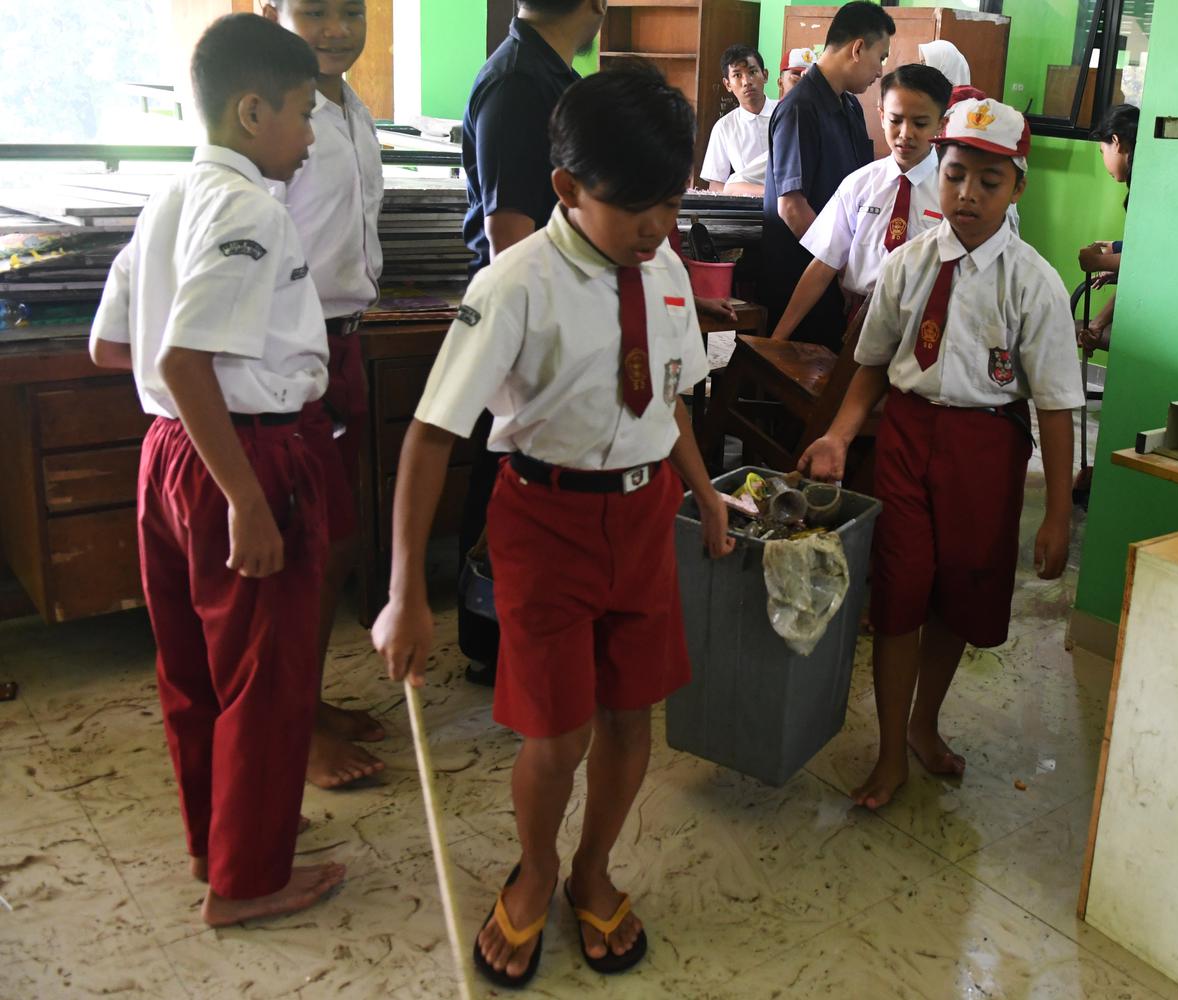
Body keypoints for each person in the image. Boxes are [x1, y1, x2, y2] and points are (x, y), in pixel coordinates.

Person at [372, 63, 735, 988]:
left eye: (671, 199)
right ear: (567, 190)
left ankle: (592, 868)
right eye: (635, 208)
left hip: (645, 517)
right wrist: (405, 592)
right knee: (557, 733)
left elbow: (672, 404)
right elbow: (426, 436)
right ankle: (535, 871)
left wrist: (704, 495)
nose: (657, 226)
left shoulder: (661, 271)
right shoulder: (514, 284)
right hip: (546, 522)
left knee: (628, 717)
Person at [88, 13, 346, 925]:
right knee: (265, 679)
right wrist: (244, 491)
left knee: (193, 669)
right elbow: (181, 361)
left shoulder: (167, 198)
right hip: (242, 453)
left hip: (170, 453)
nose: (312, 138)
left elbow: (112, 345)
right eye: (303, 114)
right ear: (250, 110)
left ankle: (219, 840)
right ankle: (247, 883)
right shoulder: (248, 209)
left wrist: (190, 424)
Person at [800, 97, 1082, 811]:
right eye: (956, 175)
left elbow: (1054, 402)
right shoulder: (907, 264)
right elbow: (870, 364)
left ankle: (925, 724)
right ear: (940, 173)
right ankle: (890, 749)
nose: (967, 194)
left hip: (985, 449)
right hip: (906, 437)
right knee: (896, 600)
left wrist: (1055, 515)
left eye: (989, 183)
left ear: (1017, 188)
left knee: (957, 595)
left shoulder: (1033, 283)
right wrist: (838, 433)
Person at [262, 0, 388, 790]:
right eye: (315, 10)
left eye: (351, 9)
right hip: (291, 349)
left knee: (337, 539)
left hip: (344, 338)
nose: (337, 27)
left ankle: (302, 699)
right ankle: (289, 726)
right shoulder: (271, 111)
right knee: (304, 545)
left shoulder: (347, 104)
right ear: (272, 12)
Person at [456, 0, 600, 686]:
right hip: (522, 320)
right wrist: (542, 337)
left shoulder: (551, 77)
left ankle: (521, 635)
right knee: (506, 474)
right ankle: (496, 642)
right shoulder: (518, 83)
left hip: (547, 308)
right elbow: (508, 230)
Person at [770, 64, 952, 341]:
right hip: (860, 325)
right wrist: (778, 338)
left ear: (941, 124)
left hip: (928, 329)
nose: (905, 133)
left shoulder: (953, 192)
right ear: (881, 115)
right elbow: (823, 264)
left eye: (920, 123)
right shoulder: (860, 184)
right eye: (895, 120)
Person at [762, 1, 894, 349]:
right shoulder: (800, 107)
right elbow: (791, 207)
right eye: (881, 57)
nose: (881, 71)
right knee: (796, 380)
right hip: (801, 273)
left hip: (836, 275)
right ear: (858, 48)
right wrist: (836, 267)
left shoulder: (848, 105)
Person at [1076, 102, 1138, 353]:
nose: (1104, 159)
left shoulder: (1146, 192)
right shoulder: (1145, 182)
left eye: (1103, 151)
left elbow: (1149, 261)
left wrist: (1099, 263)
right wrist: (1116, 252)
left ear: (1117, 142)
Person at [700, 44, 776, 196]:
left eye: (753, 72)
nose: (746, 81)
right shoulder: (724, 127)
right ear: (727, 84)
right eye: (737, 75)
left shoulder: (785, 113)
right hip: (747, 208)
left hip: (788, 201)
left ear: (765, 75)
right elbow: (717, 186)